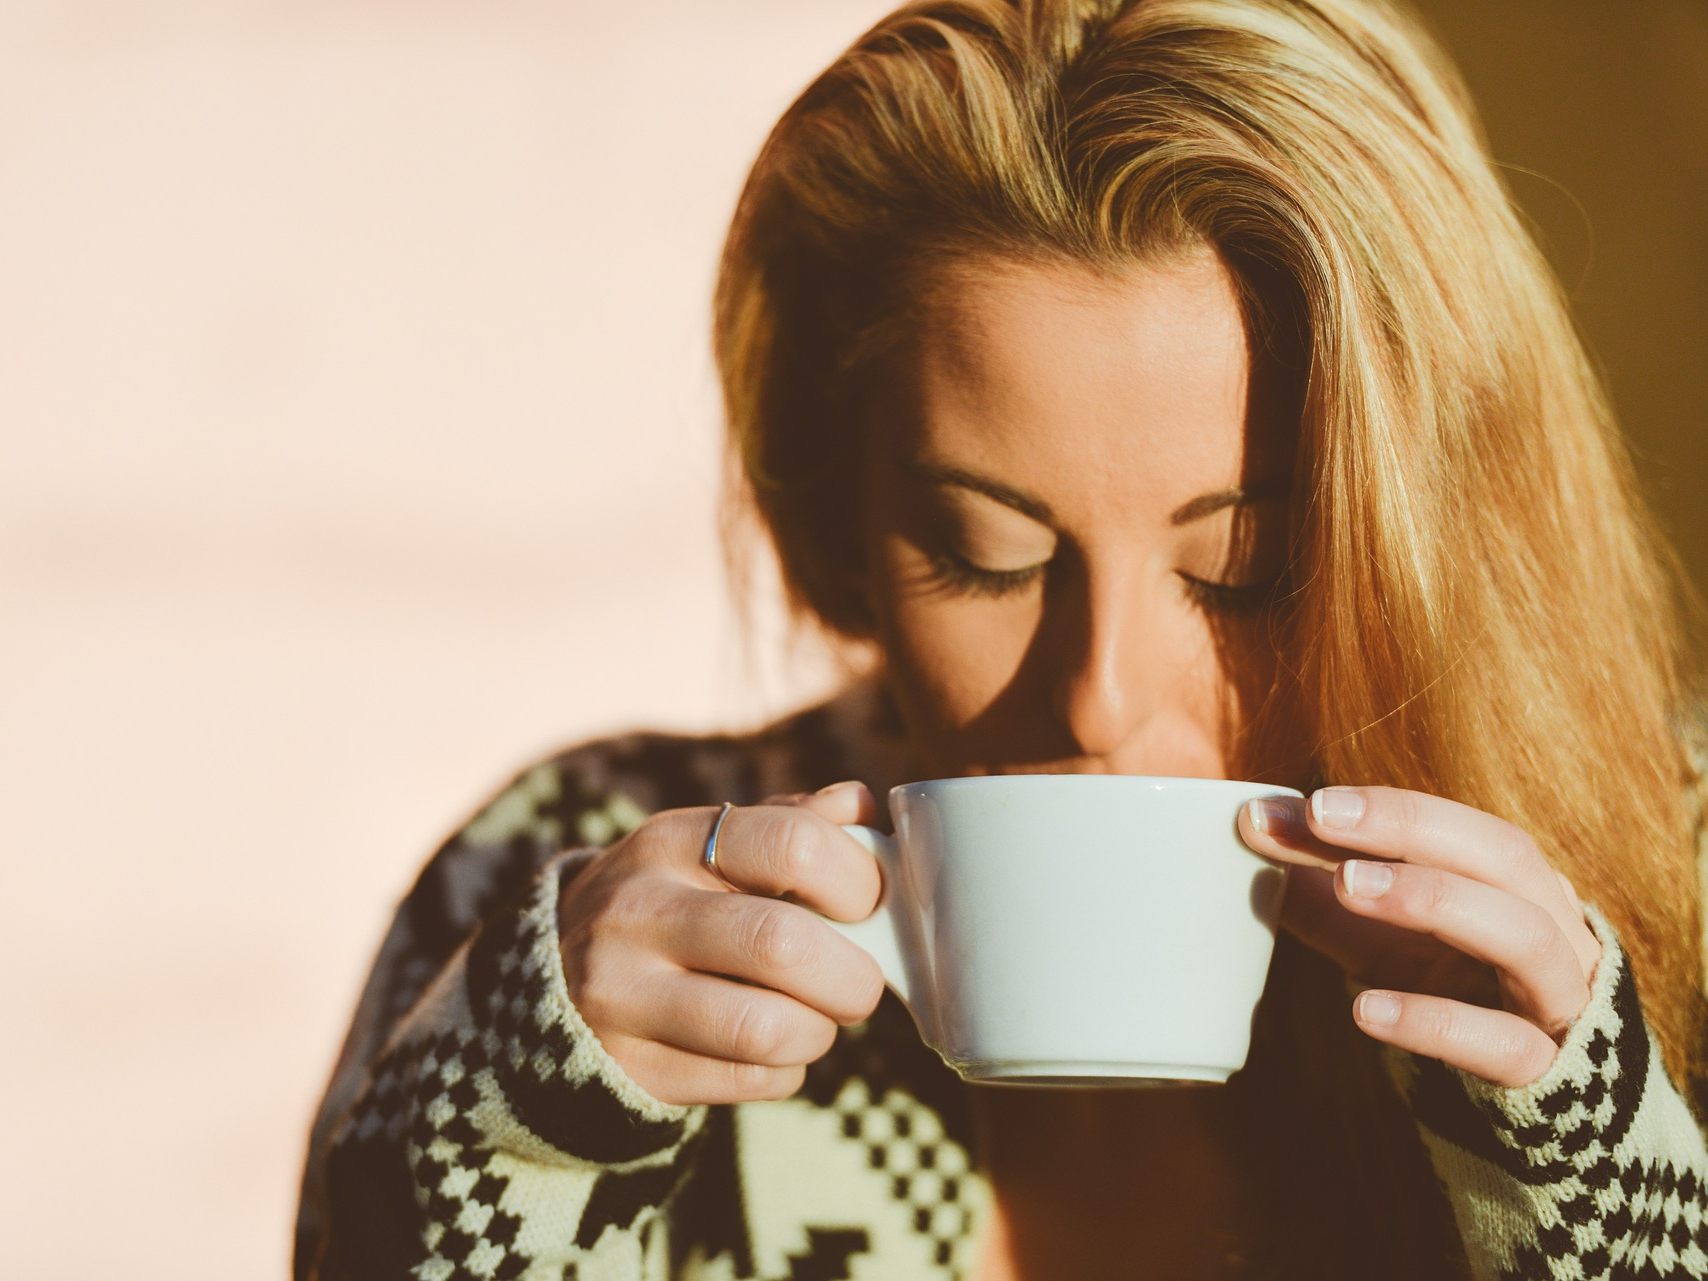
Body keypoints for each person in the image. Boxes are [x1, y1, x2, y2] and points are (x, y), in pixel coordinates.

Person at [293, 0, 1708, 1277]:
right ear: (841, 510)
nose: (1095, 698)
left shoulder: (1672, 889)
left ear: (1440, 535)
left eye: (1245, 571)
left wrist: (1600, 1186)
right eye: (989, 555)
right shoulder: (571, 875)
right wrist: (506, 1150)